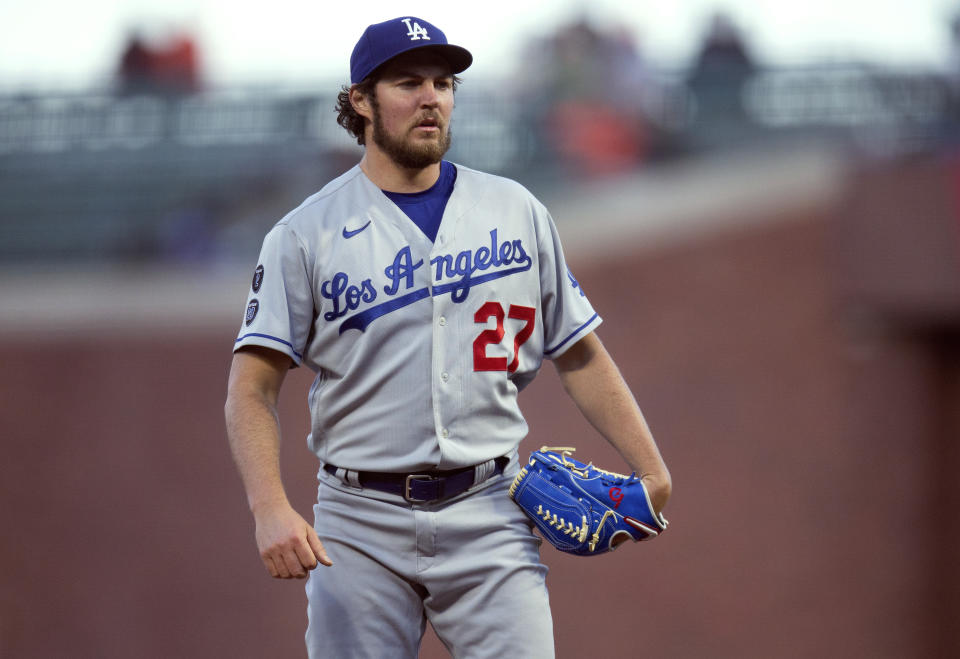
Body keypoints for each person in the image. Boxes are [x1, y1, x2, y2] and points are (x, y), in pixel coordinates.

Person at [224, 16, 671, 659]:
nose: (431, 96)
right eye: (408, 82)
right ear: (360, 101)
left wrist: (653, 470)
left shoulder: (515, 210)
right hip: (358, 520)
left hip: (490, 510)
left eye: (444, 82)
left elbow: (579, 352)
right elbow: (251, 389)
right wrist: (269, 506)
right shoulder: (305, 233)